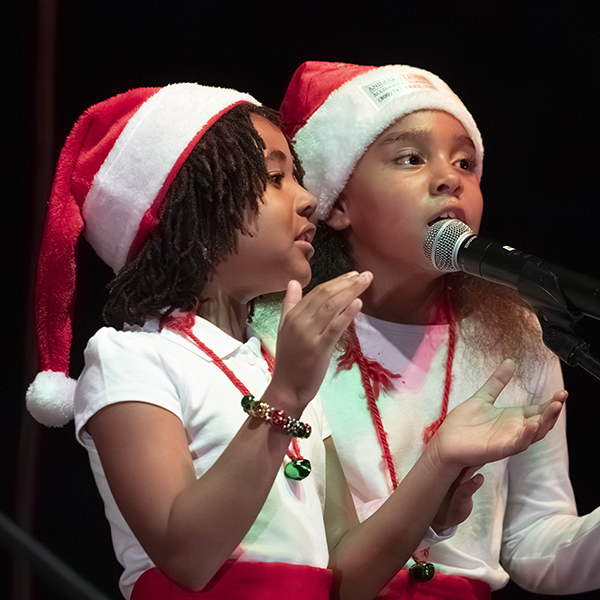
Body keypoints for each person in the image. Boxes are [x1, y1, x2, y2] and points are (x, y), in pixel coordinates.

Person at [25, 82, 565, 600]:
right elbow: (187, 556)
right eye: (276, 178)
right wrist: (285, 395)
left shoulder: (270, 367)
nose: (307, 200)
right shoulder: (130, 356)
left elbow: (348, 582)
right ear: (191, 209)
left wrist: (439, 461)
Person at [275, 60, 600, 598]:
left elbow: (534, 540)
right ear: (338, 203)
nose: (451, 177)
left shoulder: (519, 333)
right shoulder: (283, 328)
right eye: (410, 158)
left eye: (466, 163)